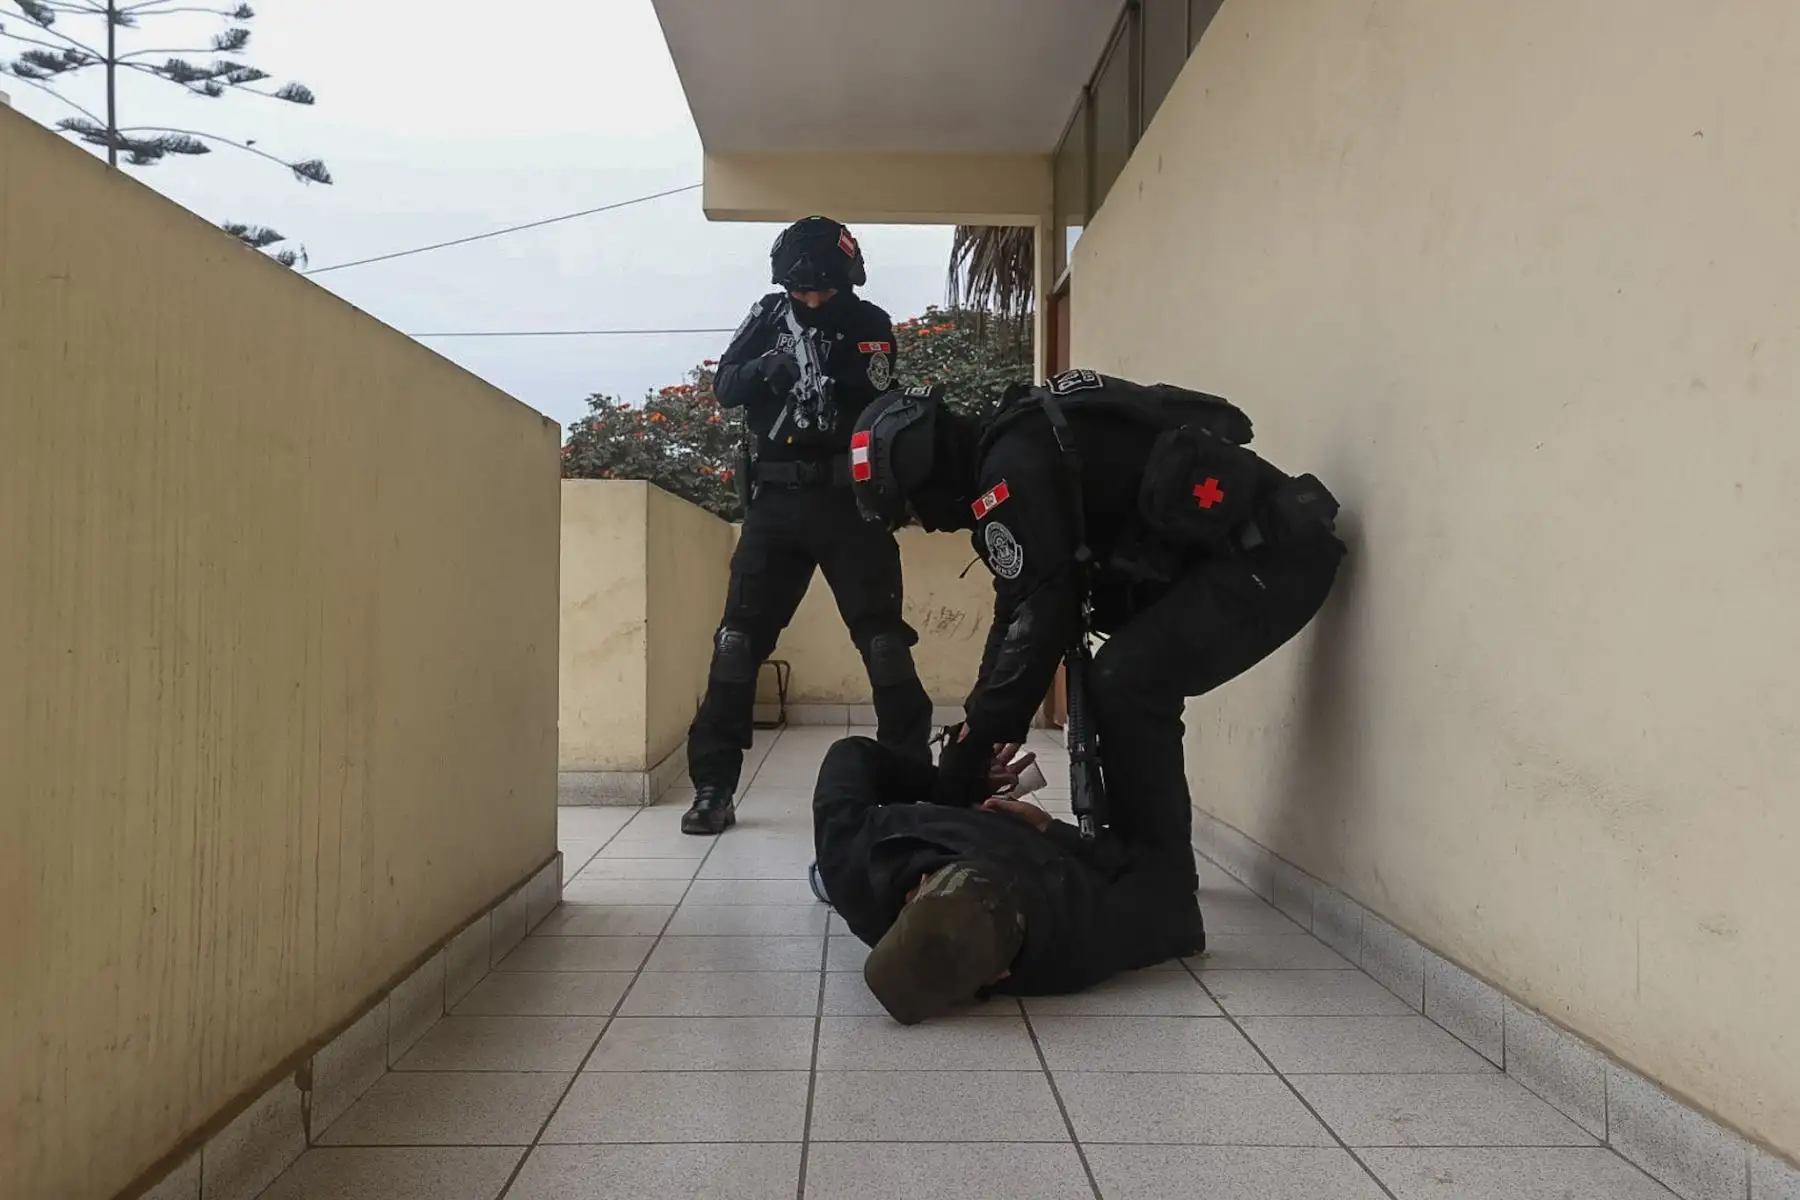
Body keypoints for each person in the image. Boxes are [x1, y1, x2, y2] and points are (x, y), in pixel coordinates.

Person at [845, 370, 1346, 897]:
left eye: (912, 510)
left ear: (923, 471)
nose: (928, 524)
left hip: (1277, 557)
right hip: (1260, 552)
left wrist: (977, 746)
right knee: (1121, 675)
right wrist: (980, 722)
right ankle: (1136, 859)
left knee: (1127, 681)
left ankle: (1158, 878)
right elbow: (1018, 601)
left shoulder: (1012, 470)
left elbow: (1045, 615)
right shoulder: (1013, 446)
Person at [681, 217, 934, 836]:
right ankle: (713, 786)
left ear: (847, 279)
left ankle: (907, 779)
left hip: (850, 503)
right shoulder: (768, 315)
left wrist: (825, 365)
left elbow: (876, 394)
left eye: (823, 288)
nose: (812, 299)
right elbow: (725, 385)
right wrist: (767, 367)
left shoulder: (869, 322)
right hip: (776, 502)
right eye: (801, 289)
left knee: (884, 644)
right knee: (737, 643)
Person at [812, 733, 1207, 1022]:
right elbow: (1175, 896)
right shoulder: (1084, 934)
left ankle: (819, 881)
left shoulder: (851, 854)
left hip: (928, 837)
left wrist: (958, 786)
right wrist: (1050, 829)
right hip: (1029, 848)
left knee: (827, 876)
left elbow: (850, 753)